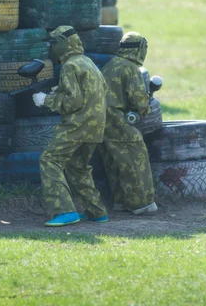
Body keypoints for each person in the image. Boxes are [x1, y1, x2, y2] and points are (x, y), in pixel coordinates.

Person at [33, 26, 109, 227]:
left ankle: (64, 211)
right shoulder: (87, 62)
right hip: (95, 126)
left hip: (77, 125)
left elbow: (72, 102)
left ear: (65, 43)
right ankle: (97, 211)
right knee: (78, 167)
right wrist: (60, 90)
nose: (52, 47)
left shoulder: (70, 66)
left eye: (54, 43)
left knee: (50, 159)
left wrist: (45, 100)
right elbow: (100, 90)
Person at [99, 32, 158, 215]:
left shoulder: (110, 65)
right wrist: (147, 104)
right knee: (135, 158)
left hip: (99, 120)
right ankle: (142, 204)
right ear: (140, 50)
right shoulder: (130, 68)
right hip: (116, 119)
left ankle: (120, 201)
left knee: (115, 161)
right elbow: (139, 101)